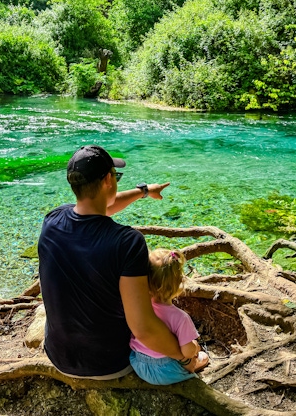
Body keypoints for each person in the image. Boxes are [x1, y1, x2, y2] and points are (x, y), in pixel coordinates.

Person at [38, 145, 194, 379]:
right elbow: (143, 329)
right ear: (109, 180)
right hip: (107, 364)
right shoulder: (128, 242)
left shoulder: (53, 219)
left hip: (58, 355)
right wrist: (183, 356)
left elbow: (101, 208)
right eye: (116, 175)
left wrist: (143, 191)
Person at [129, 249, 210, 385]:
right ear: (179, 283)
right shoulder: (181, 318)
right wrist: (195, 347)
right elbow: (187, 352)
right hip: (165, 371)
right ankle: (191, 367)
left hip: (138, 363)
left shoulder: (140, 306)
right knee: (200, 354)